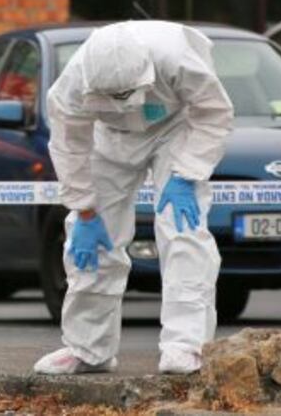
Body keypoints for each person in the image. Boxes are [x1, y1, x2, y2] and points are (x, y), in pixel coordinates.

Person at [35, 21, 234, 376]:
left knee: (182, 231)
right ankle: (87, 348)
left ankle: (186, 345)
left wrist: (186, 174)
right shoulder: (72, 83)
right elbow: (68, 144)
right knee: (91, 245)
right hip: (108, 138)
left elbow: (213, 112)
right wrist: (83, 209)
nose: (122, 103)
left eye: (125, 95)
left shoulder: (176, 58)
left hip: (175, 128)